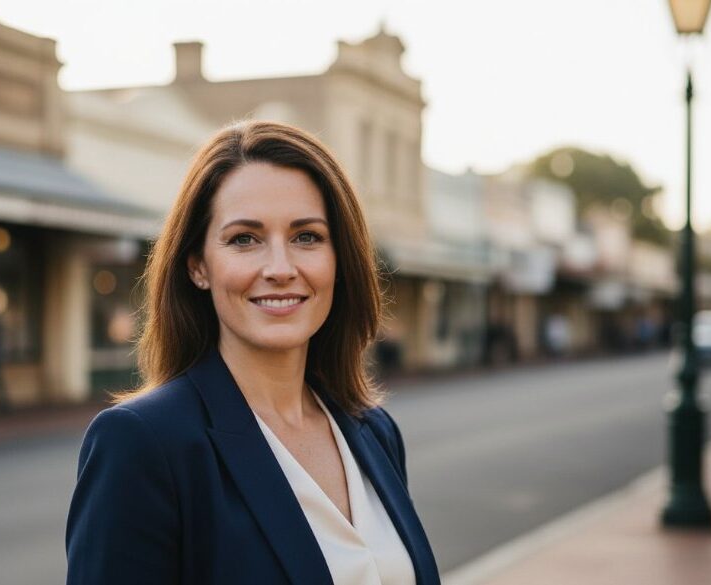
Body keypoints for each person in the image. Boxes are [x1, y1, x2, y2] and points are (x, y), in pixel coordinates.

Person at [65, 121, 440, 585]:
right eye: (245, 239)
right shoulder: (143, 443)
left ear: (339, 259)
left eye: (307, 237)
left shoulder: (374, 431)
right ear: (199, 266)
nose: (280, 269)